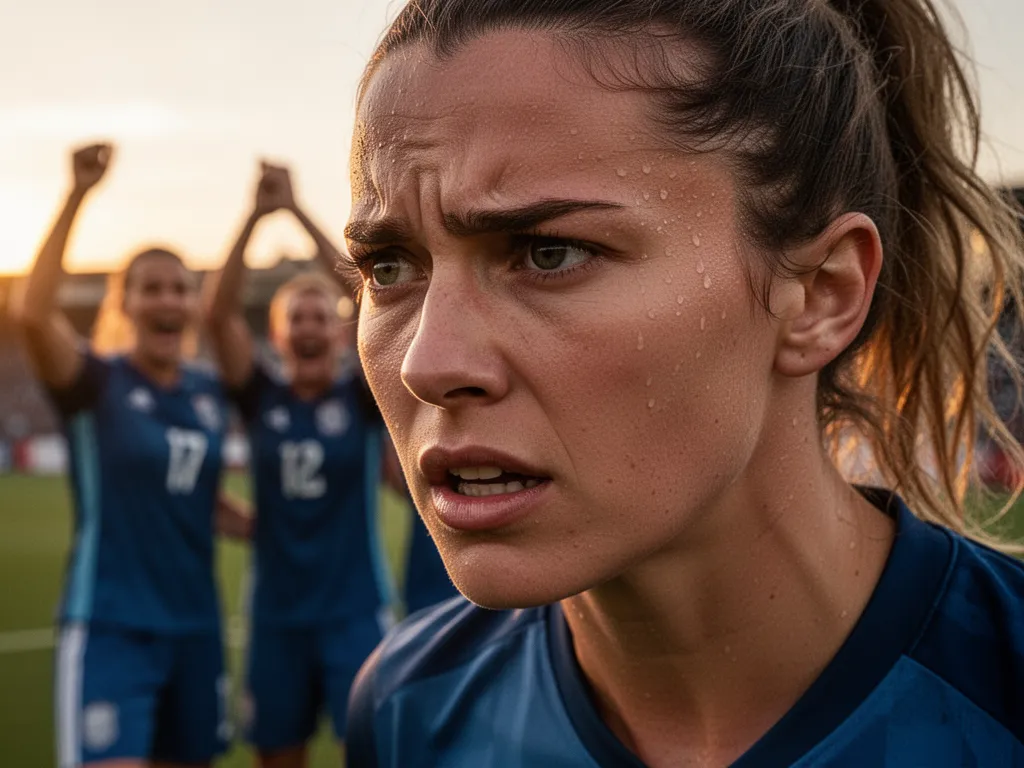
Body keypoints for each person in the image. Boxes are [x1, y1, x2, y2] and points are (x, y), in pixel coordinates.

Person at [342, 0, 1024, 765]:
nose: (427, 364)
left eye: (549, 253)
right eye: (388, 267)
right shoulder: (413, 710)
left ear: (821, 295)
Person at [10, 143, 247, 768]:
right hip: (114, 624)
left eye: (179, 289)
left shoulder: (204, 392)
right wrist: (77, 193)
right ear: (125, 304)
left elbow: (194, 494)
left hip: (196, 626)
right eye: (151, 289)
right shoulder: (95, 381)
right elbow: (31, 313)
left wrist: (269, 525)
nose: (169, 300)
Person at [203, 163, 397, 768]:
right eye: (298, 320)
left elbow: (369, 289)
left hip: (354, 608)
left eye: (322, 318)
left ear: (343, 336)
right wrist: (255, 216)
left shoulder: (361, 397)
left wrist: (299, 209)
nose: (312, 328)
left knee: (372, 752)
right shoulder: (261, 397)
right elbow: (215, 315)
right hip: (276, 615)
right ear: (278, 336)